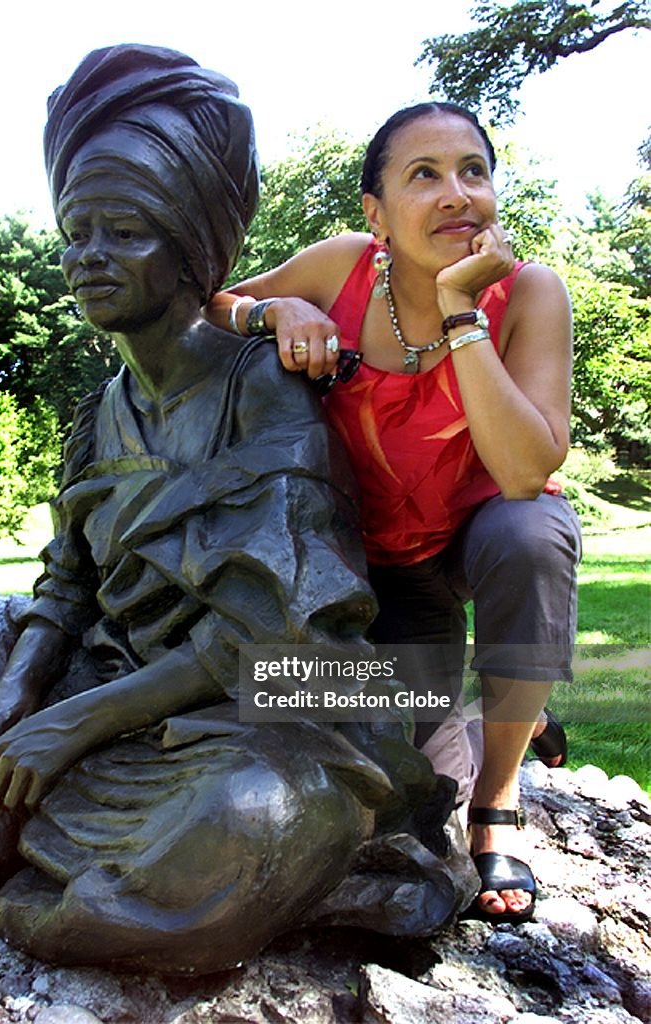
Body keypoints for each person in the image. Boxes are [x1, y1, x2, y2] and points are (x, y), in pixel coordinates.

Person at [0, 49, 470, 974]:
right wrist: (19, 694)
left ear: (189, 251)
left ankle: (18, 839)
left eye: (121, 232)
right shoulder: (99, 411)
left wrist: (71, 725)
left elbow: (282, 632)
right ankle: (4, 796)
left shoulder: (266, 389)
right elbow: (67, 587)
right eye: (75, 232)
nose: (88, 257)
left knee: (256, 817)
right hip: (104, 672)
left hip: (266, 700)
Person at [204, 101, 582, 924]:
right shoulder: (338, 266)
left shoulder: (530, 296)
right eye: (424, 175)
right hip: (372, 576)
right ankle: (502, 715)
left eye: (472, 172)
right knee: (337, 722)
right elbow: (208, 306)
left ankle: (499, 801)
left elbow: (523, 472)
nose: (455, 194)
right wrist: (276, 311)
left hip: (476, 541)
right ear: (374, 213)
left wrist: (460, 312)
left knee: (533, 534)